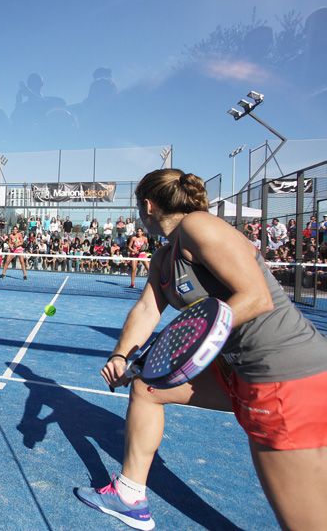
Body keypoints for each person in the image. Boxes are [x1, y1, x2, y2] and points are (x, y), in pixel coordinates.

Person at [75, 168, 327, 531]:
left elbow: (256, 298)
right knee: (148, 388)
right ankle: (129, 496)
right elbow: (146, 310)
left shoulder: (199, 227)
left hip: (283, 377)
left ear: (147, 206)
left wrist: (178, 345)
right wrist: (122, 356)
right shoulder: (164, 258)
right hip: (238, 373)